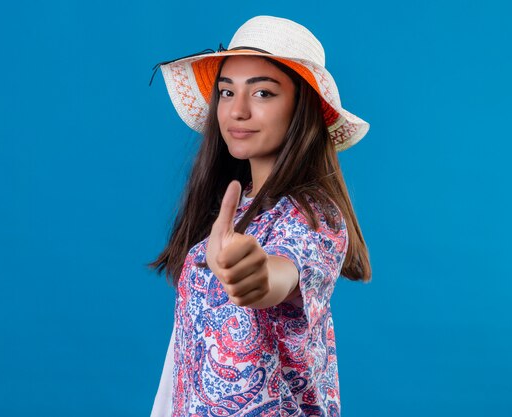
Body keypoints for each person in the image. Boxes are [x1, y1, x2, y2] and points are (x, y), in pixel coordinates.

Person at [148, 15, 371, 416]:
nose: (238, 111)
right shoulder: (234, 209)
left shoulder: (315, 215)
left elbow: (280, 272)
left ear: (302, 106)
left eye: (264, 93)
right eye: (227, 92)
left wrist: (255, 276)